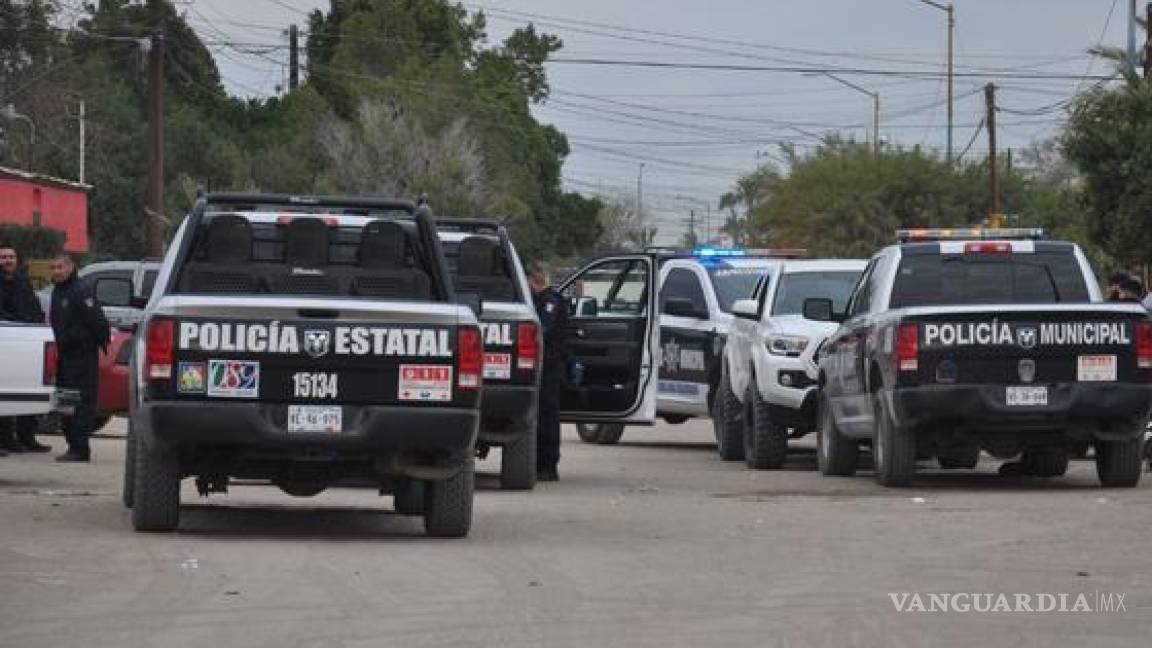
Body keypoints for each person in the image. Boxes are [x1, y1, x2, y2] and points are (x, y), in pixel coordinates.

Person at [48, 253, 110, 462]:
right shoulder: (59, 291)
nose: (56, 271)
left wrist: (99, 343)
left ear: (71, 267)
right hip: (65, 355)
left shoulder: (80, 290)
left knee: (81, 401)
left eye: (60, 267)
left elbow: (97, 320)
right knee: (66, 400)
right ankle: (72, 445)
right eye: (53, 268)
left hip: (81, 355)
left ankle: (80, 448)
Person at [0, 243, 50, 455]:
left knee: (28, 393)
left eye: (10, 256)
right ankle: (5, 440)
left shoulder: (23, 282)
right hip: (5, 340)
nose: (7, 260)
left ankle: (27, 438)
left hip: (27, 342)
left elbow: (34, 307)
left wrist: (37, 326)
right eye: (3, 257)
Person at [527, 261, 569, 482]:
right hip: (544, 368)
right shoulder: (542, 301)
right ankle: (539, 463)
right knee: (540, 416)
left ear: (534, 280)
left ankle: (548, 466)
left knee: (547, 418)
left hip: (550, 369)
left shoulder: (550, 302)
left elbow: (543, 330)